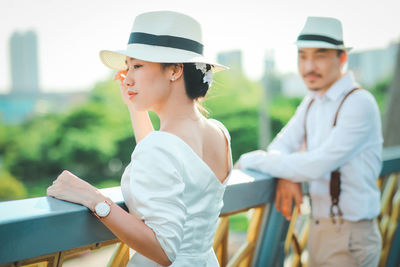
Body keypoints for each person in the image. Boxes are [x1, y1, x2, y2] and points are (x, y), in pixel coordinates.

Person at [47, 11, 232, 267]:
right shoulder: (218, 133)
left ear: (175, 70)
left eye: (137, 66)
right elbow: (166, 165)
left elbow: (164, 251)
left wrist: (94, 199)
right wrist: (134, 106)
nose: (128, 78)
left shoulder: (161, 147)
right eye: (127, 67)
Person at [236, 17, 382, 267]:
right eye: (302, 56)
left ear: (342, 58)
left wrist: (249, 159)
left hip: (350, 234)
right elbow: (280, 147)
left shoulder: (359, 102)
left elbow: (315, 164)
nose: (308, 66)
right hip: (319, 228)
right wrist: (286, 175)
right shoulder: (312, 101)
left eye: (320, 56)